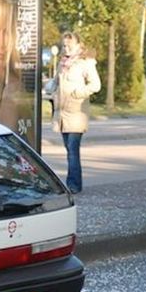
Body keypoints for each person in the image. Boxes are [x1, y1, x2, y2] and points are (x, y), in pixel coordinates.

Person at [51, 31, 101, 194]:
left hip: (76, 114)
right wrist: (50, 89)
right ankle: (72, 182)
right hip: (62, 114)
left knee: (72, 150)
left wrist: (78, 93)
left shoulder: (85, 63)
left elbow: (95, 85)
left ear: (78, 45)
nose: (66, 48)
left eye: (69, 45)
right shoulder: (63, 63)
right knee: (69, 149)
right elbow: (56, 82)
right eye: (64, 45)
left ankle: (73, 185)